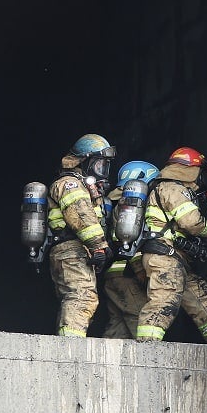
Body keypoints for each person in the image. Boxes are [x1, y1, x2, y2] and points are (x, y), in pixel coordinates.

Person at [136, 147, 207, 344]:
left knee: (204, 301)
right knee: (165, 300)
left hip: (177, 258)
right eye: (199, 172)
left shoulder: (170, 189)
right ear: (190, 171)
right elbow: (191, 222)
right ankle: (146, 347)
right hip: (164, 257)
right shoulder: (172, 189)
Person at [47, 134, 116, 337]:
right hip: (70, 249)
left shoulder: (83, 184)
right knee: (82, 296)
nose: (102, 171)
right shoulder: (69, 183)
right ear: (84, 161)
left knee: (76, 297)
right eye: (99, 165)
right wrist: (98, 245)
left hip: (76, 250)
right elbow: (81, 215)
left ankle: (69, 340)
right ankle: (71, 347)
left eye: (105, 166)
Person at [101, 160, 160, 338]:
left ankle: (107, 364)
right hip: (127, 276)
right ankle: (147, 360)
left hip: (114, 275)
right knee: (141, 318)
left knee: (118, 327)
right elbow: (133, 249)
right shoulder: (131, 208)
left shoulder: (115, 204)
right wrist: (143, 274)